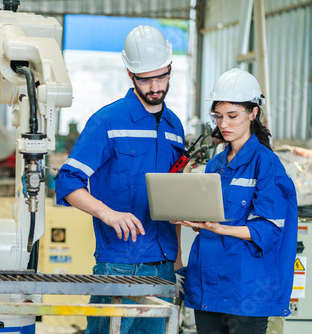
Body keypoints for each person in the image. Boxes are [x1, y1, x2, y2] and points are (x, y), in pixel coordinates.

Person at [56, 25, 185, 334]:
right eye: (145, 78)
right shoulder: (107, 122)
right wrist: (108, 213)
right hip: (119, 264)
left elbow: (176, 194)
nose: (155, 86)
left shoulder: (174, 126)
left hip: (164, 267)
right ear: (130, 74)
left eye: (162, 76)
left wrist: (178, 258)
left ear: (170, 68)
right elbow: (68, 181)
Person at [173, 68, 298, 334]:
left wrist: (218, 228)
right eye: (218, 117)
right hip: (207, 283)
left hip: (246, 290)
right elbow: (210, 217)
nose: (224, 125)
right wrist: (195, 222)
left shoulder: (266, 163)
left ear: (253, 114)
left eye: (232, 116)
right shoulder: (216, 164)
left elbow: (270, 229)